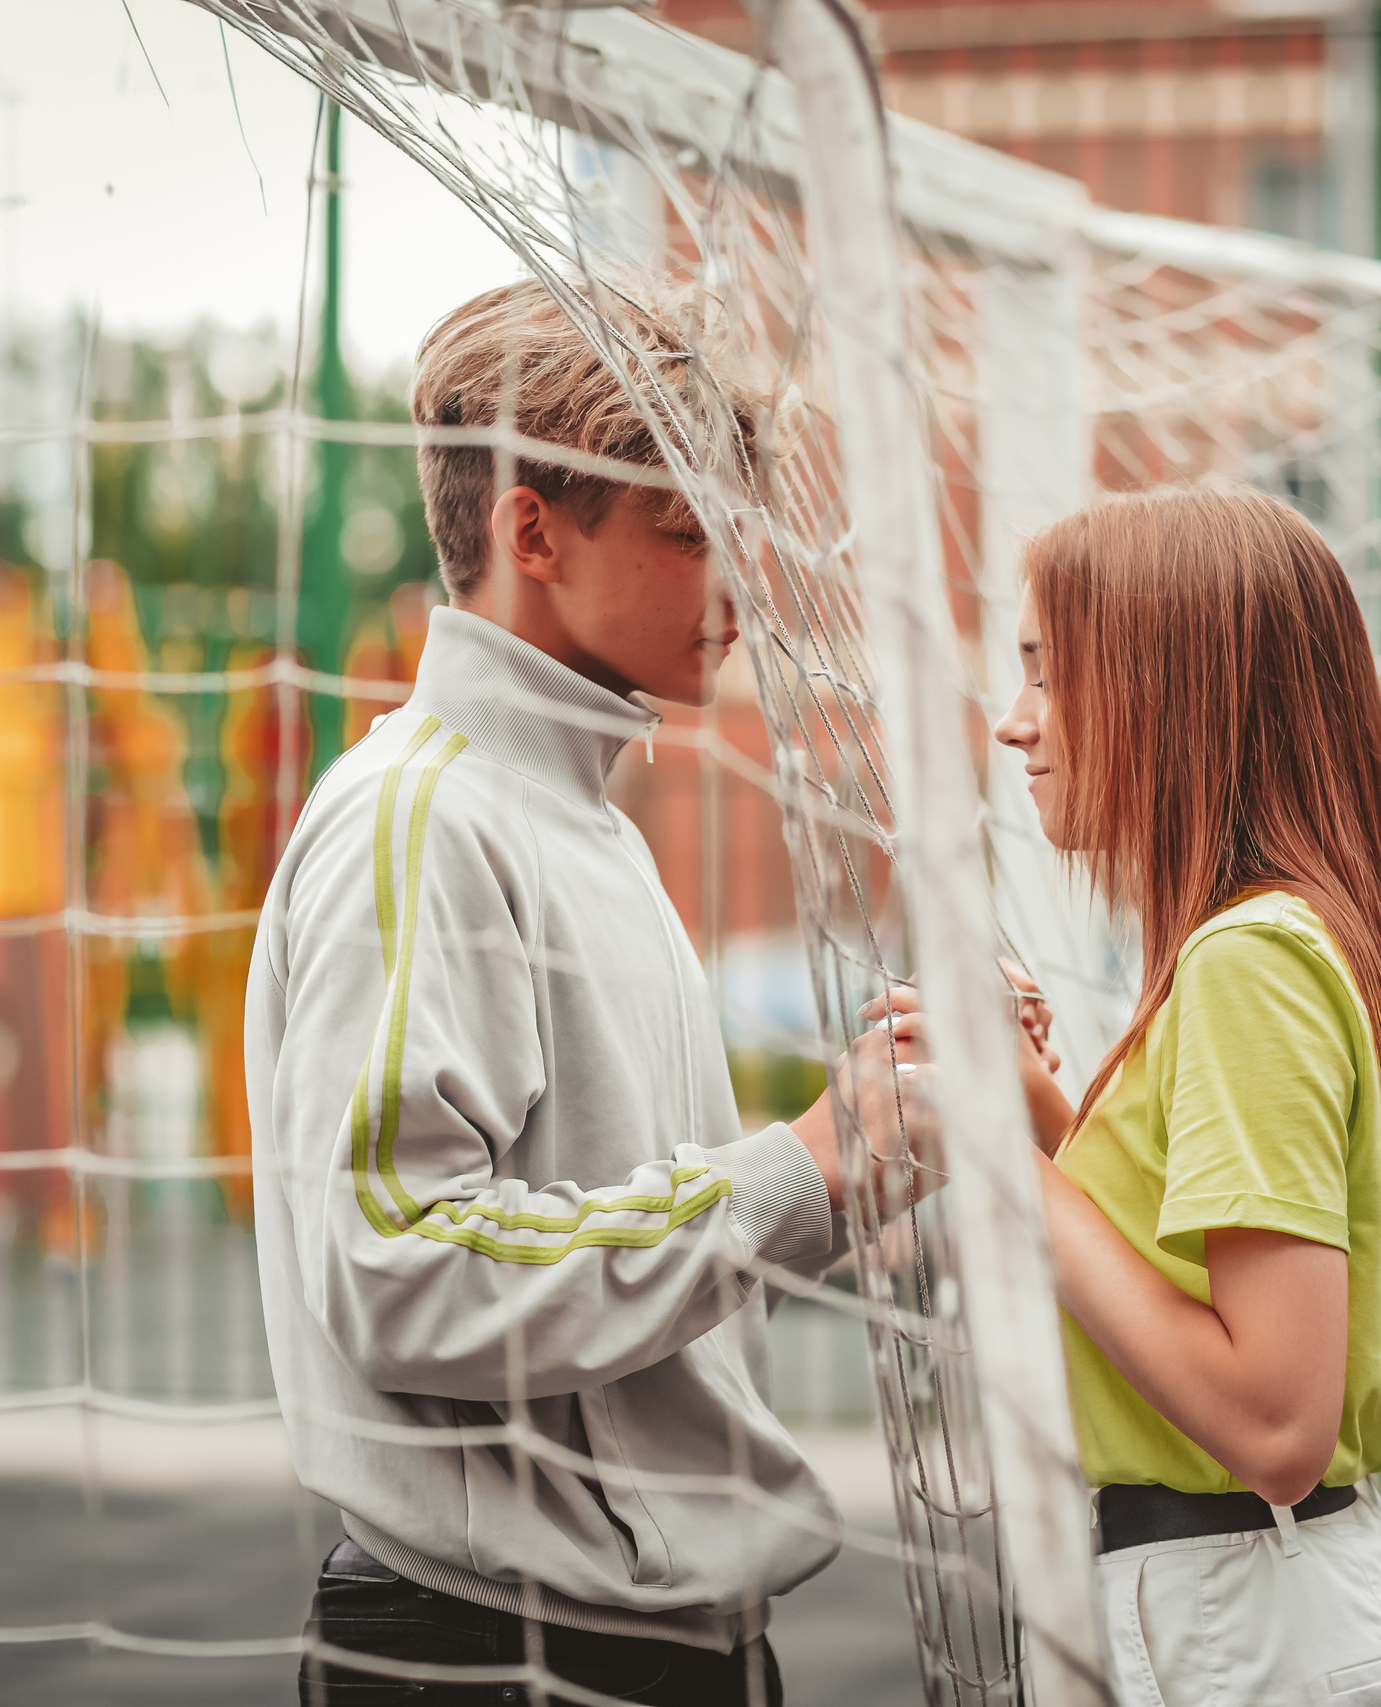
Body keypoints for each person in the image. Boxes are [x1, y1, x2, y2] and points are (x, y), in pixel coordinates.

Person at [245, 279, 914, 1706]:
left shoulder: (581, 819)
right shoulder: (420, 820)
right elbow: (402, 1268)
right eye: (689, 533)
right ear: (530, 529)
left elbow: (642, 1263)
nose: (737, 583)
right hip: (497, 1658)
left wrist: (880, 1151)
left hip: (652, 1642)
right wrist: (799, 1164)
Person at [884, 482, 1381, 1704]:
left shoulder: (1247, 964)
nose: (1012, 724)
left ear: (1175, 689)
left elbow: (1273, 1422)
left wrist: (991, 1149)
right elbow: (1185, 1264)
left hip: (1252, 1625)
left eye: (1048, 675)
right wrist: (1037, 1110)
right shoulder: (1280, 942)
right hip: (1260, 1609)